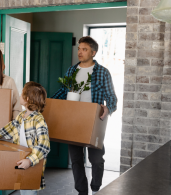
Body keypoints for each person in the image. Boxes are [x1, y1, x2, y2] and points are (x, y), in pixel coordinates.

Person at [51, 36, 117, 195]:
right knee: (76, 160)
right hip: (73, 120)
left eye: (84, 49)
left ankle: (95, 189)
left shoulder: (102, 72)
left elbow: (111, 97)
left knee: (96, 160)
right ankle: (82, 191)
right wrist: (49, 103)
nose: (80, 52)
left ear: (93, 52)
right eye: (79, 48)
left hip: (94, 121)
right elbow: (63, 91)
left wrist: (108, 108)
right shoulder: (71, 70)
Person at [0, 81, 50, 195]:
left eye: (22, 93)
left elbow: (44, 146)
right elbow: (9, 128)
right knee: (22, 190)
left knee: (28, 191)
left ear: (27, 98)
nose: (19, 95)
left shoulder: (38, 120)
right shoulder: (21, 116)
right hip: (21, 159)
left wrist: (30, 160)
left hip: (32, 164)